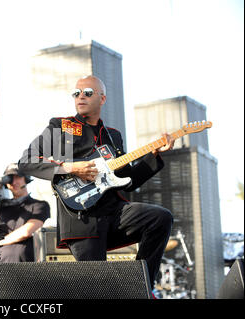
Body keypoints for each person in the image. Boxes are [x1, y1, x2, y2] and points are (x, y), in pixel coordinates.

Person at [18, 75, 174, 286]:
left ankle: (142, 283)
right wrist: (70, 167)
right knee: (98, 287)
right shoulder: (62, 127)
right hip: (81, 218)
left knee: (160, 217)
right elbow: (27, 161)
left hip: (115, 212)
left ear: (102, 99)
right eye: (76, 93)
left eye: (88, 93)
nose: (80, 97)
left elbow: (129, 181)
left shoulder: (113, 135)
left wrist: (154, 155)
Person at [0, 163, 50, 262]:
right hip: (1, 266)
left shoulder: (39, 205)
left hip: (27, 265)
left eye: (18, 177)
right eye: (10, 178)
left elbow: (26, 232)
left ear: (26, 179)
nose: (14, 182)